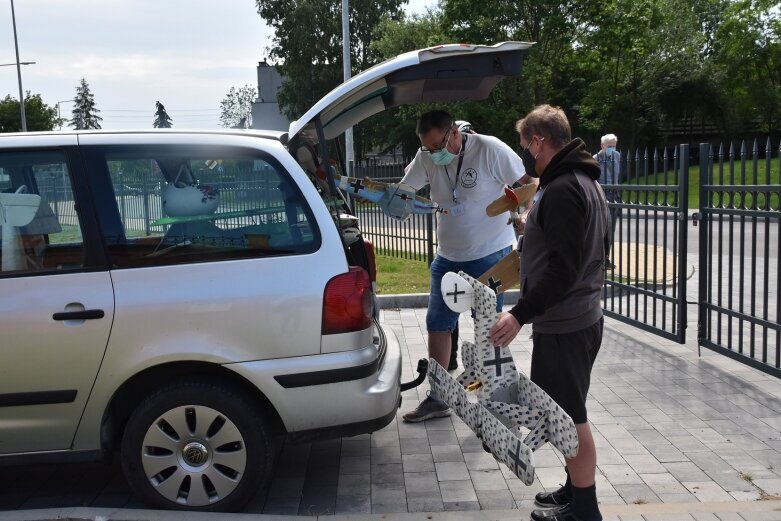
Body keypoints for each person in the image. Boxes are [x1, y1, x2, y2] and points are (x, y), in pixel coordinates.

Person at [490, 105, 608, 521]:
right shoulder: (580, 181)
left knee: (570, 419)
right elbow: (574, 244)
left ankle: (585, 510)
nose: (527, 155)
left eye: (527, 146)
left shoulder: (562, 189)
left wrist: (521, 313)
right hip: (578, 317)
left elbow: (564, 267)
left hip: (567, 323)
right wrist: (530, 227)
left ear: (540, 140)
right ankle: (576, 491)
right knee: (564, 412)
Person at [401, 110, 524, 422]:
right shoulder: (427, 156)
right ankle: (439, 395)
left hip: (491, 253)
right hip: (448, 257)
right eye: (429, 149)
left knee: (488, 326)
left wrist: (525, 213)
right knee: (437, 320)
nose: (435, 154)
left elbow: (528, 183)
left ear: (454, 132)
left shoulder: (490, 149)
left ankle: (493, 396)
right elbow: (406, 189)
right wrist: (388, 198)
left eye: (439, 146)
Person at [594, 133, 621, 262]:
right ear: (602, 145)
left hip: (614, 194)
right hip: (601, 195)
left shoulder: (617, 156)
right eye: (609, 146)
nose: (612, 148)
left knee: (612, 228)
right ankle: (599, 255)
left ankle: (606, 256)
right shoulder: (595, 159)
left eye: (614, 146)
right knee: (602, 227)